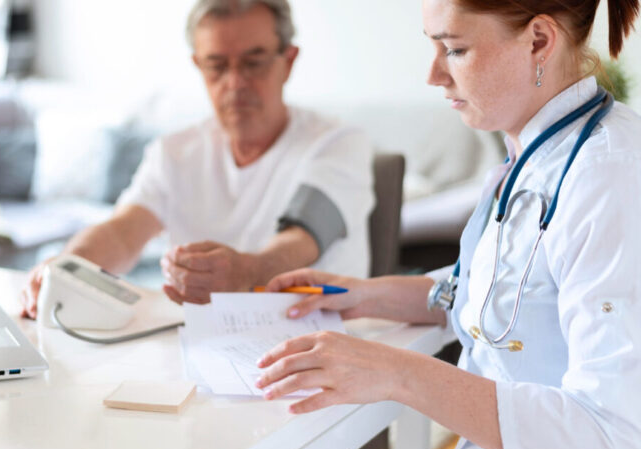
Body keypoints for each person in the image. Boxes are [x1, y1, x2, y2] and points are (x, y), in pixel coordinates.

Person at [255, 0, 641, 449]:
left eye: (455, 49)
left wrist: (399, 373)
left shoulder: (610, 179)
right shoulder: (533, 153)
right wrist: (362, 294)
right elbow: (503, 293)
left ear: (539, 41)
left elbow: (611, 442)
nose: (434, 74)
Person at [21, 0, 375, 318]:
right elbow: (124, 232)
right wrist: (68, 266)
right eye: (216, 65)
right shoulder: (175, 152)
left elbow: (303, 239)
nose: (235, 82)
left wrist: (245, 272)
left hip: (324, 339)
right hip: (209, 342)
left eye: (254, 63)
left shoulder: (338, 143)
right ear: (198, 66)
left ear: (288, 60)